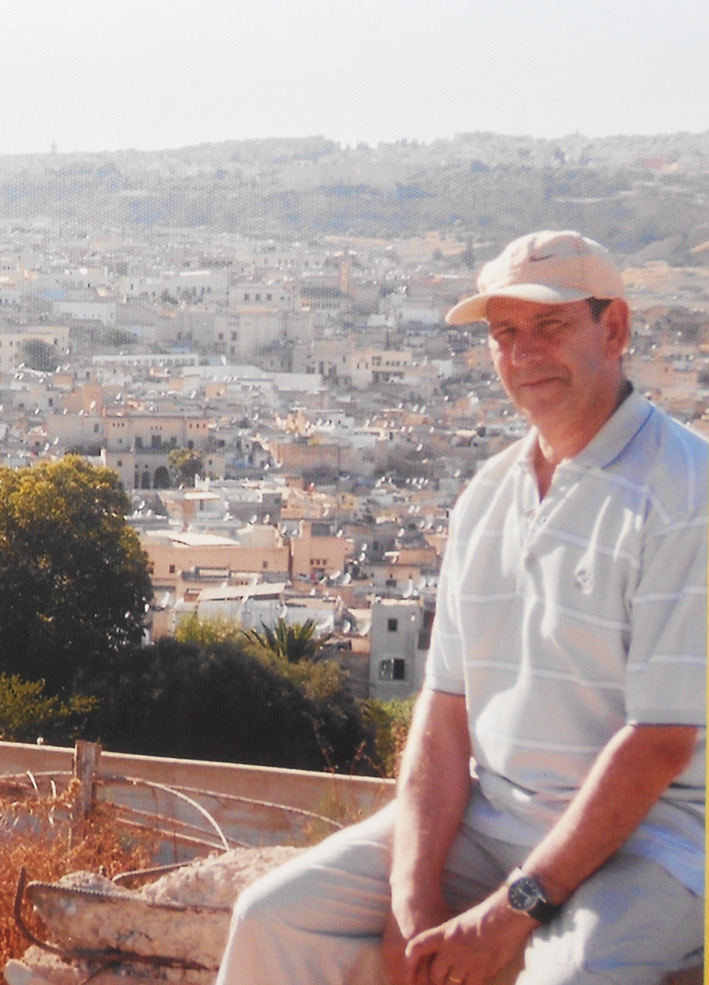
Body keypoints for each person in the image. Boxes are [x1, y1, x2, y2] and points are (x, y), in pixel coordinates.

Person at [213, 230, 706, 985]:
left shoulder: (682, 489)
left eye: (548, 327)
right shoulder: (486, 496)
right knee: (271, 918)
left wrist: (509, 912)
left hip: (643, 844)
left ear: (614, 329)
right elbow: (442, 718)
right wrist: (409, 902)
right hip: (493, 819)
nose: (523, 354)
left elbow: (661, 742)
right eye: (504, 334)